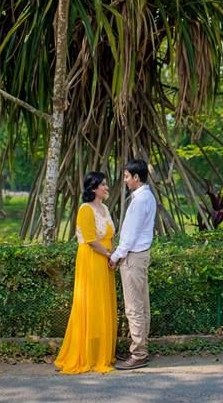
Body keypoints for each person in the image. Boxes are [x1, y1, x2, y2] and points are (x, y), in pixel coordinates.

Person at [54, 172, 117, 374]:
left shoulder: (105, 208)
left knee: (103, 306)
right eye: (104, 185)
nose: (107, 188)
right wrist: (108, 255)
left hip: (105, 261)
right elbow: (90, 239)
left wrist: (113, 255)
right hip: (91, 261)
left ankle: (101, 353)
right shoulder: (85, 209)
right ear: (93, 189)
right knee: (90, 306)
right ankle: (87, 355)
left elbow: (109, 235)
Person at [108, 159, 156, 370]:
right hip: (140, 255)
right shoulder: (147, 196)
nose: (125, 181)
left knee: (134, 307)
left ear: (137, 177)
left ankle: (139, 353)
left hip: (133, 258)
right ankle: (141, 348)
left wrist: (115, 256)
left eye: (127, 177)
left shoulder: (139, 200)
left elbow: (129, 236)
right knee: (142, 305)